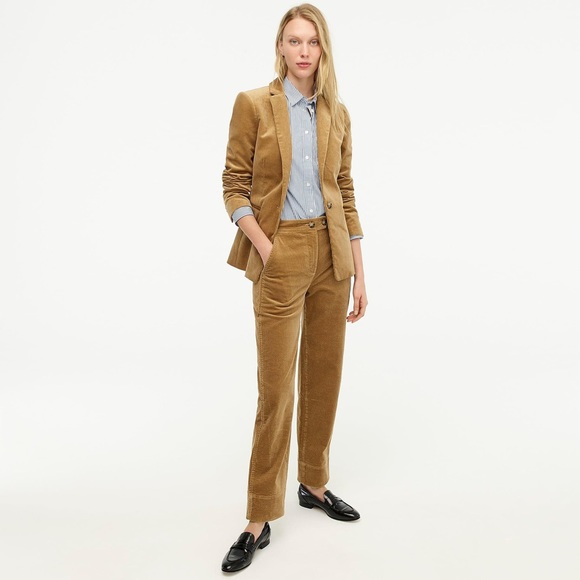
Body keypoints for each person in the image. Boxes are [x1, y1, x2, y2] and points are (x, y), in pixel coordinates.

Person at [220, 3, 368, 573]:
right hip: (280, 252)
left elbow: (345, 189)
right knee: (276, 388)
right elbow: (233, 184)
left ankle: (314, 483)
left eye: (312, 41)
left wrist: (359, 269)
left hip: (332, 257)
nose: (303, 51)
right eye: (293, 40)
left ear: (322, 49)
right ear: (280, 47)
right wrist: (266, 246)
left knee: (324, 377)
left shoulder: (337, 112)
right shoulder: (255, 104)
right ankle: (258, 517)